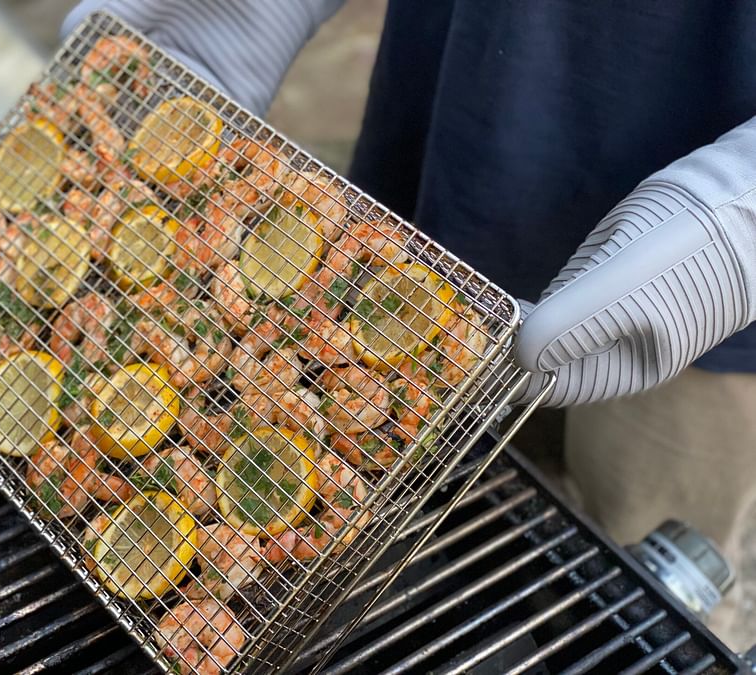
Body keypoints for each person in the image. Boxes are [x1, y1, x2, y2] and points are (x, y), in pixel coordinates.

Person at [62, 1, 756, 644]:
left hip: (693, 280)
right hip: (433, 180)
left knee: (649, 579)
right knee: (438, 510)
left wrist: (740, 224)